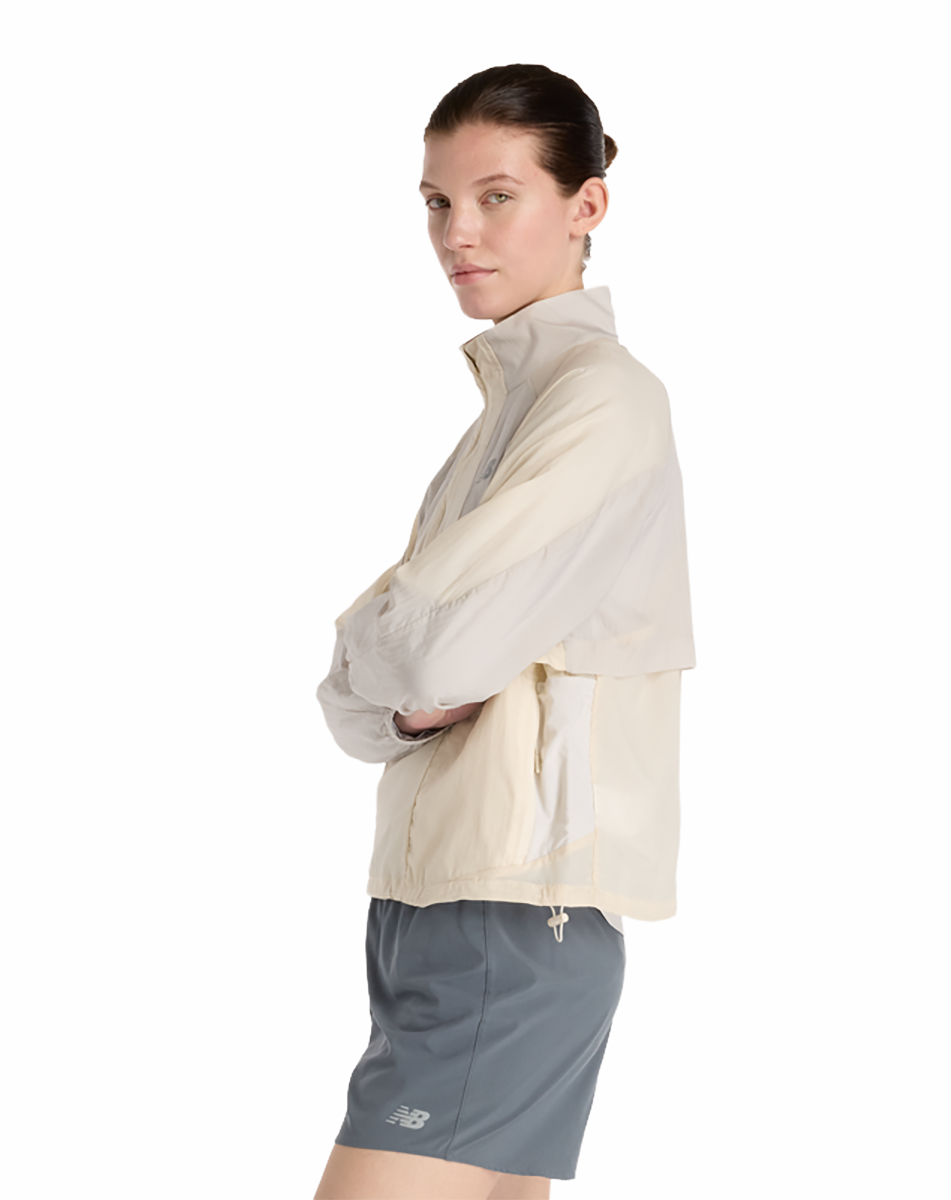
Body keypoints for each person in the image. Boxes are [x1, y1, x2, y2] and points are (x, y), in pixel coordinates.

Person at [311, 63, 696, 1200]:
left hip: (510, 915)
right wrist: (386, 680)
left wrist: (377, 656)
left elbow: (423, 651)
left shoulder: (602, 400)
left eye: (496, 197)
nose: (456, 233)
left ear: (586, 205)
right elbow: (373, 701)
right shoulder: (505, 416)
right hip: (445, 905)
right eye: (437, 202)